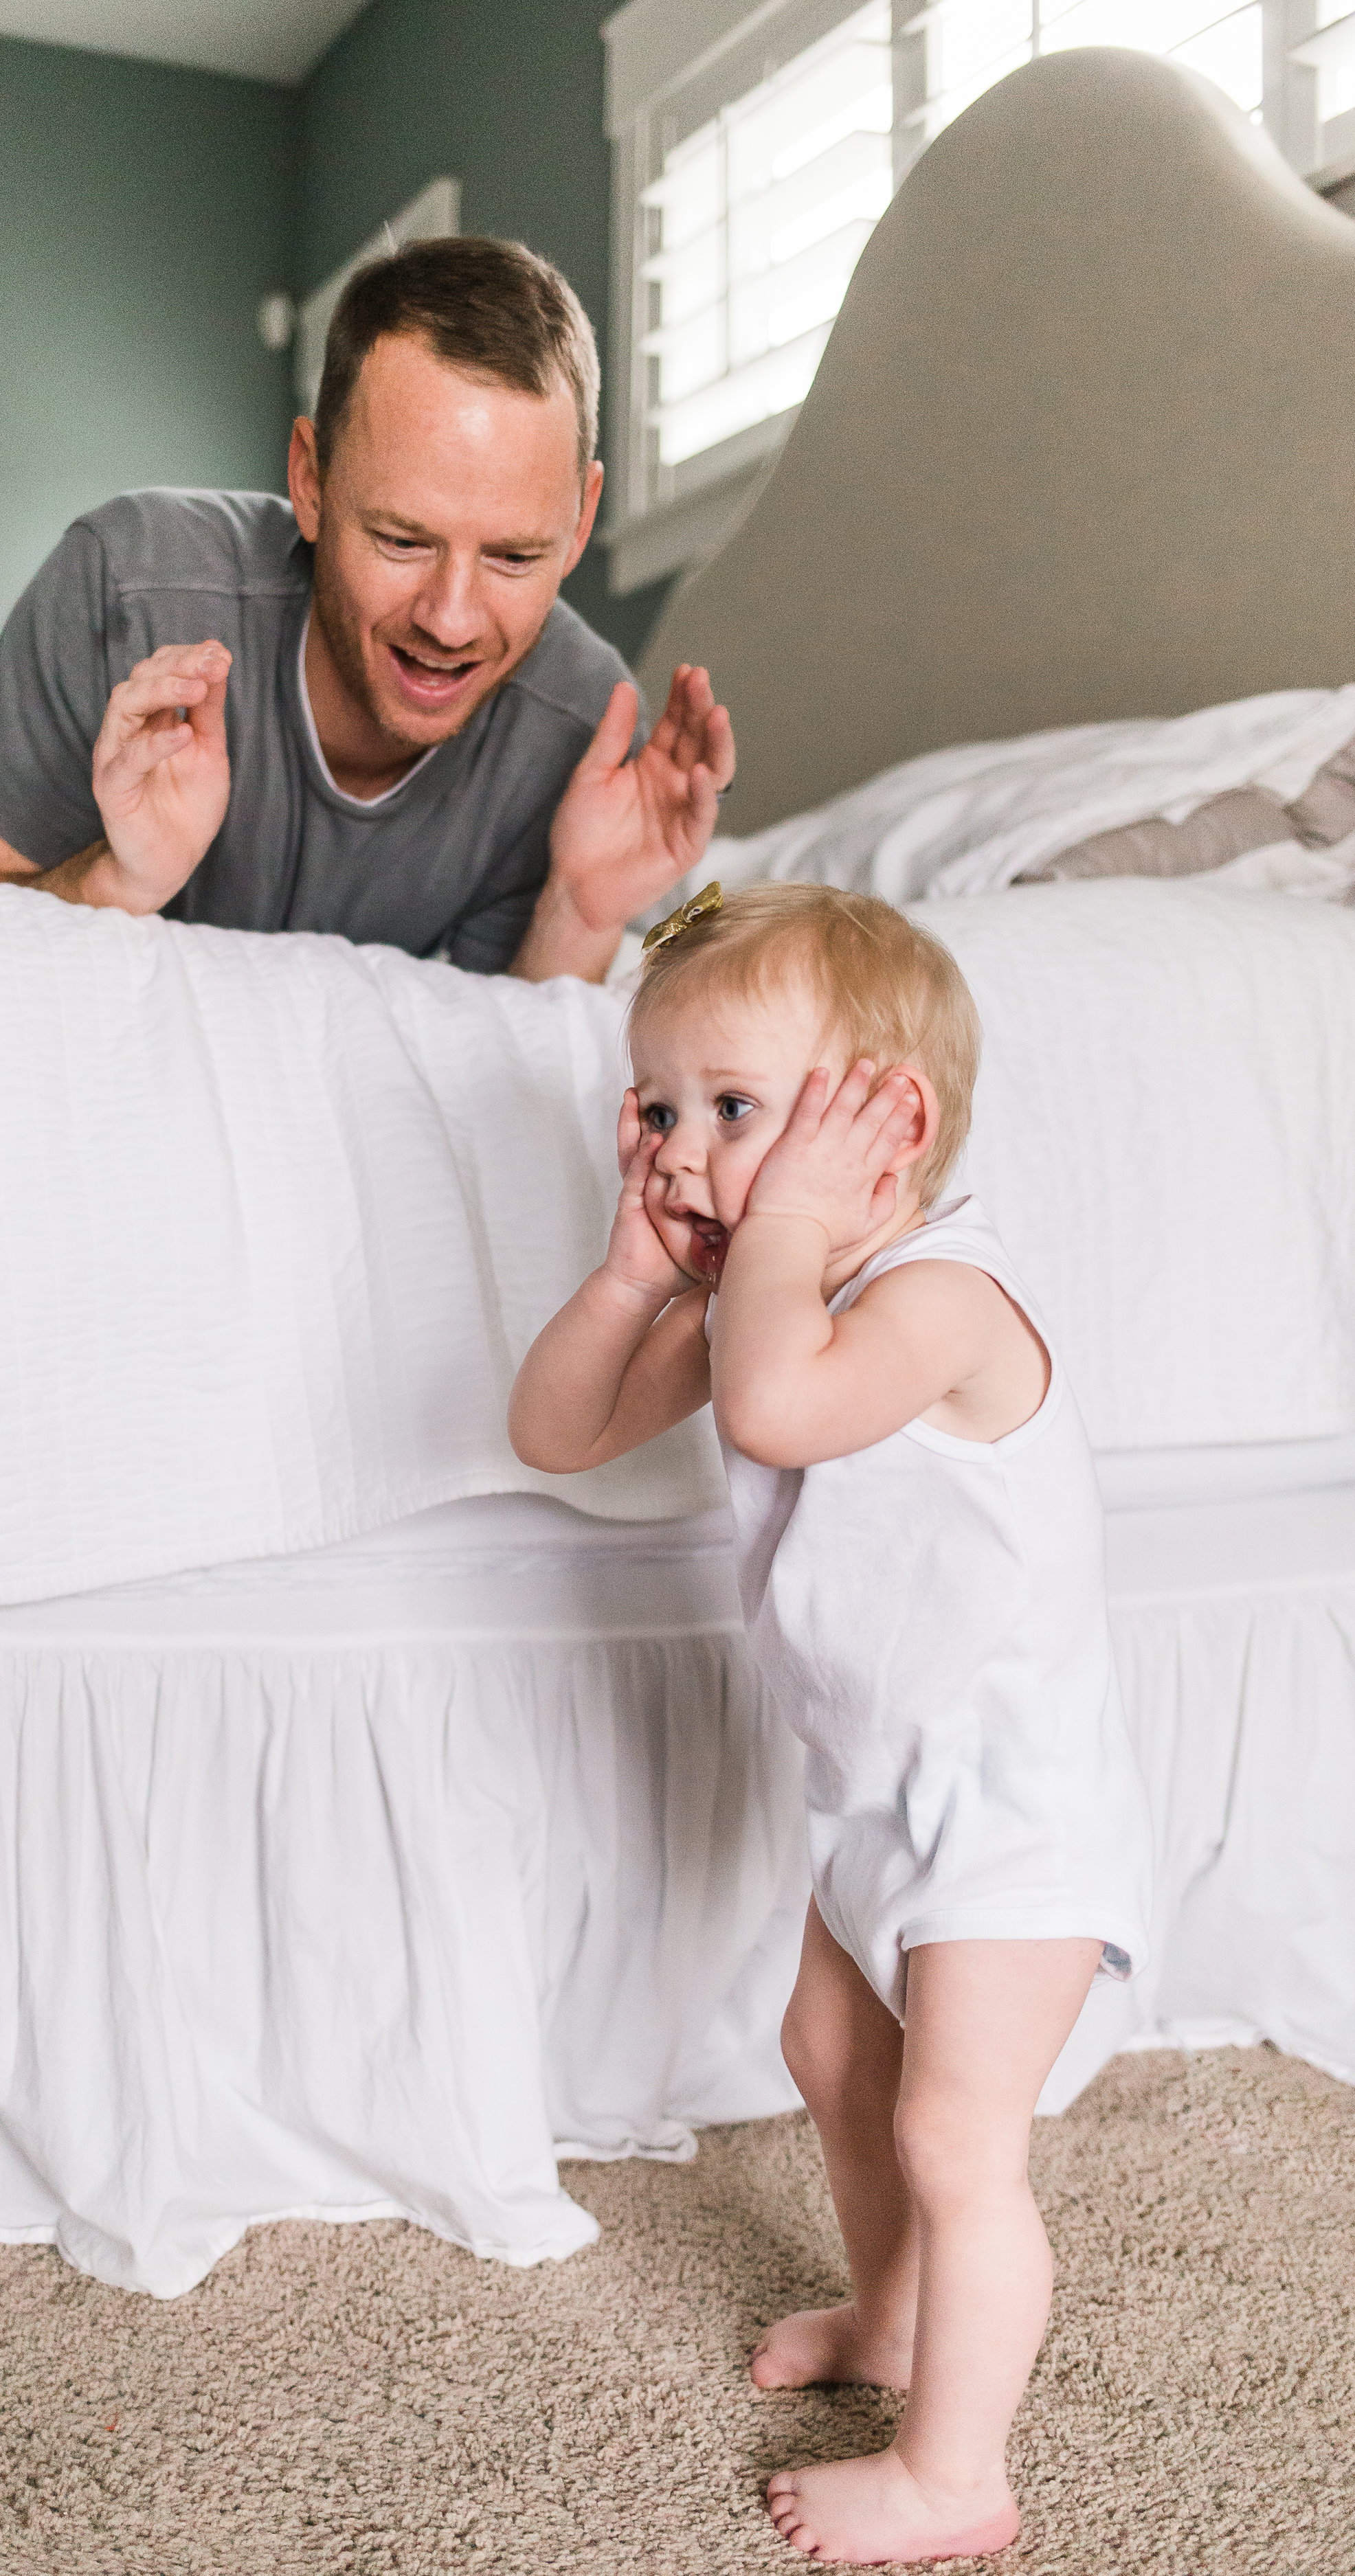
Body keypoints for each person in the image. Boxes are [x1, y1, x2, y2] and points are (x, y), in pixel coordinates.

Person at [508, 883, 1152, 2565]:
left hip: (1016, 1811)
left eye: (736, 1108)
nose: (681, 1148)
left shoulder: (944, 1297)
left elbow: (784, 1398)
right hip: (878, 1791)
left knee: (954, 2130)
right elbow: (559, 1430)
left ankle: (958, 2473)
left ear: (891, 1128)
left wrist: (773, 1234)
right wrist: (629, 1269)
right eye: (658, 1106)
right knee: (829, 2052)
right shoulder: (759, 1297)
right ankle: (889, 2314)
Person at [0, 236, 733, 983]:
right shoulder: (134, 585)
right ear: (310, 481)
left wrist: (580, 914)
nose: (450, 621)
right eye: (403, 541)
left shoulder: (579, 732)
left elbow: (495, 1070)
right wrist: (118, 882)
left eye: (515, 557)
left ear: (581, 520)